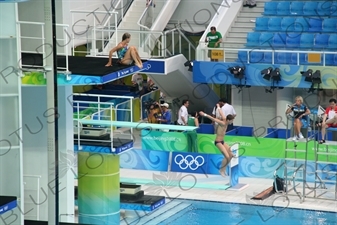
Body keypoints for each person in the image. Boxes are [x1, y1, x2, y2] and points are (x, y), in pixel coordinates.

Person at [199, 105, 235, 177]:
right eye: (231, 120)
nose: (232, 122)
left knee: (231, 155)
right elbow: (213, 119)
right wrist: (204, 114)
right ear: (228, 120)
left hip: (222, 141)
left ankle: (224, 169)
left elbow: (221, 112)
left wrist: (218, 106)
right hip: (218, 142)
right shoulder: (222, 123)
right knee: (227, 157)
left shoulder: (226, 119)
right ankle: (221, 170)